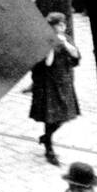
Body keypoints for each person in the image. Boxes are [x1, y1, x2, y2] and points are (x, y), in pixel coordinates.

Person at [30, 11, 80, 167]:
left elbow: (76, 56)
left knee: (65, 115)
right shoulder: (44, 41)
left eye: (63, 24)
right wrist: (51, 45)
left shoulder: (66, 38)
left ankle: (46, 137)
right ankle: (49, 148)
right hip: (49, 84)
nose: (63, 27)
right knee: (50, 117)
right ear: (51, 26)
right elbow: (47, 63)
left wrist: (64, 43)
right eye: (59, 25)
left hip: (64, 81)